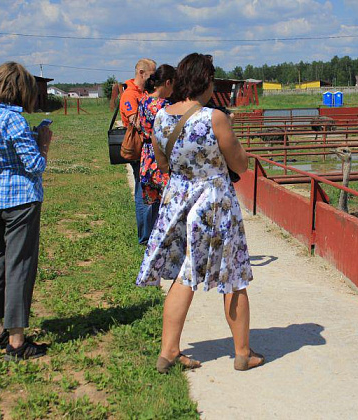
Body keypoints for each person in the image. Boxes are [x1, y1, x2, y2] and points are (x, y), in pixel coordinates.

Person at [136, 53, 264, 372]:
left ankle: (168, 351)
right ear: (205, 81)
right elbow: (240, 164)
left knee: (185, 274)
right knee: (232, 275)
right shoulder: (214, 117)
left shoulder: (162, 117)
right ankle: (242, 353)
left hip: (179, 199)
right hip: (214, 201)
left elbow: (163, 164)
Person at [0, 62, 52, 360]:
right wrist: (42, 143)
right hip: (20, 202)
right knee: (19, 267)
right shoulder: (13, 120)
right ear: (22, 91)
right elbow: (34, 166)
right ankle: (16, 342)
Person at [119, 58, 157, 245]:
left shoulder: (143, 93)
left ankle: (150, 232)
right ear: (142, 73)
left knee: (149, 188)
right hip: (139, 149)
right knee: (143, 191)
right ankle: (145, 236)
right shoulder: (130, 95)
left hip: (147, 150)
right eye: (151, 74)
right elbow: (137, 122)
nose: (154, 78)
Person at [137, 64, 175, 206]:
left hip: (146, 156)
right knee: (166, 206)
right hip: (161, 156)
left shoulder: (143, 101)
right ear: (167, 83)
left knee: (150, 206)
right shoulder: (165, 106)